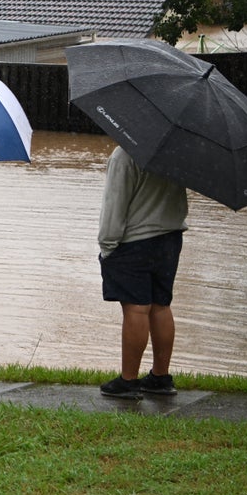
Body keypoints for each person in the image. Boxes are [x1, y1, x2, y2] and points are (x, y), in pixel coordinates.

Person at [97, 145, 189, 399]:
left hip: (135, 241)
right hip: (170, 239)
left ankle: (128, 381)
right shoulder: (175, 153)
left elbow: (114, 205)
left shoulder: (124, 156)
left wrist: (107, 246)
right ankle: (160, 377)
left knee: (136, 308)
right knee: (161, 306)